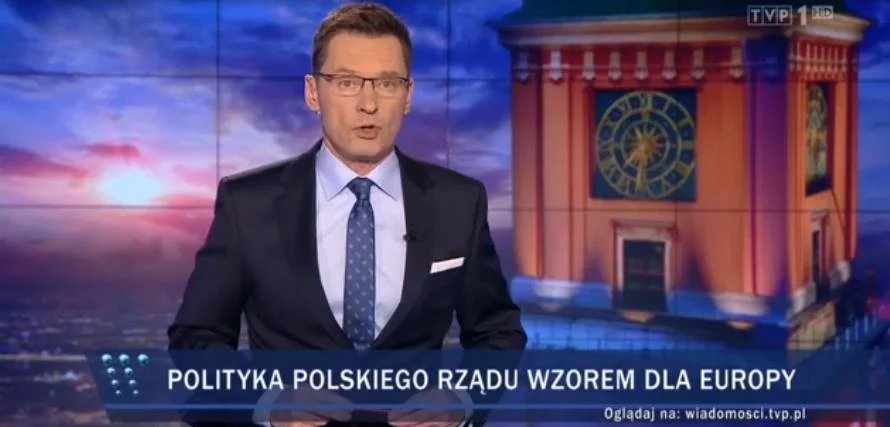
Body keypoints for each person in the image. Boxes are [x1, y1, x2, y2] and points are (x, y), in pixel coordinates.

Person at [167, 3, 527, 426]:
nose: (368, 104)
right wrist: (265, 402)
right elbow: (197, 337)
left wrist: (462, 399)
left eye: (387, 83)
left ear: (408, 96)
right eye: (347, 82)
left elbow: (497, 332)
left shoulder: (458, 202)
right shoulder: (248, 203)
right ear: (313, 92)